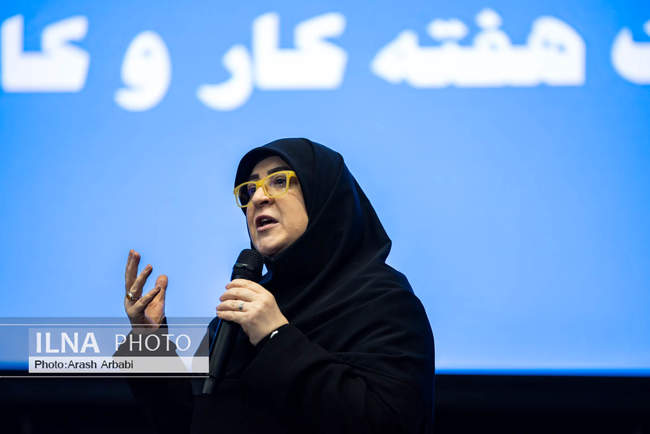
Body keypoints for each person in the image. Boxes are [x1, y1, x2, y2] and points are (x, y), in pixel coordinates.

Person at [120, 138, 435, 433]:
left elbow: (389, 423)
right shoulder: (241, 313)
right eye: (250, 189)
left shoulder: (383, 302)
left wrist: (275, 337)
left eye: (279, 181)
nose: (258, 198)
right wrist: (150, 342)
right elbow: (187, 422)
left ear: (322, 194)